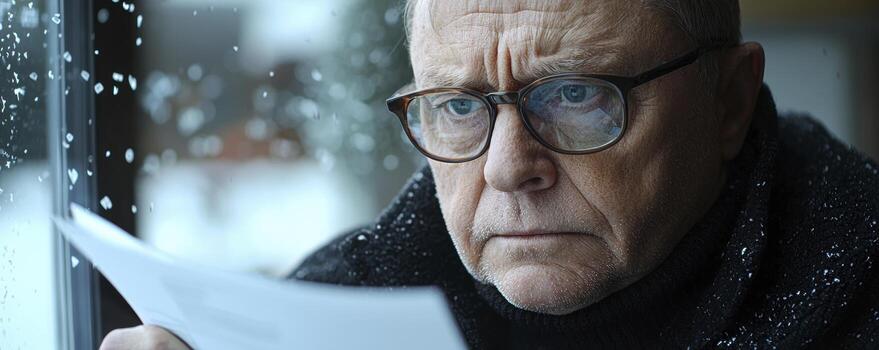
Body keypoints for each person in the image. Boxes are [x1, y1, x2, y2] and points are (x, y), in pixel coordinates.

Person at [101, 1, 879, 349]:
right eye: (457, 107)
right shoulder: (333, 310)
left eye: (576, 94)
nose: (508, 169)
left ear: (729, 101)